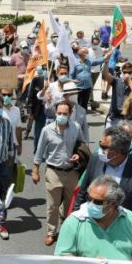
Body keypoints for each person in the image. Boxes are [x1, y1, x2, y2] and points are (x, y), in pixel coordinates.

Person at [72, 127, 132, 237]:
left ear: (119, 151)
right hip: (91, 227)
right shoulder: (96, 159)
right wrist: (75, 222)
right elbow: (82, 192)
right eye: (100, 144)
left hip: (123, 234)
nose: (100, 150)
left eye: (104, 147)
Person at [33, 100, 88, 247]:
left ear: (70, 114)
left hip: (71, 173)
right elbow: (39, 151)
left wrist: (78, 155)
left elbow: (82, 145)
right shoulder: (47, 130)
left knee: (70, 205)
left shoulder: (76, 127)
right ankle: (51, 232)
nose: (62, 116)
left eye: (65, 114)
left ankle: (66, 230)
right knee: (53, 206)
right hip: (53, 172)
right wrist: (35, 170)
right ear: (55, 113)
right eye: (59, 113)